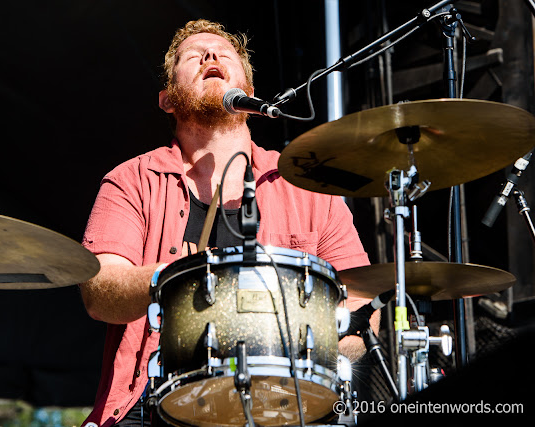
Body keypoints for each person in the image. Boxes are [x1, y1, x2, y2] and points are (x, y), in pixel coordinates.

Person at [79, 19, 378, 427]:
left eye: (225, 53)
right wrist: (176, 277)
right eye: (193, 56)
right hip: (151, 404)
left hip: (282, 403)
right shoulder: (131, 180)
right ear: (167, 99)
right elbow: (99, 291)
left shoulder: (306, 186)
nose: (211, 56)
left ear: (249, 93)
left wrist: (310, 358)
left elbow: (361, 305)